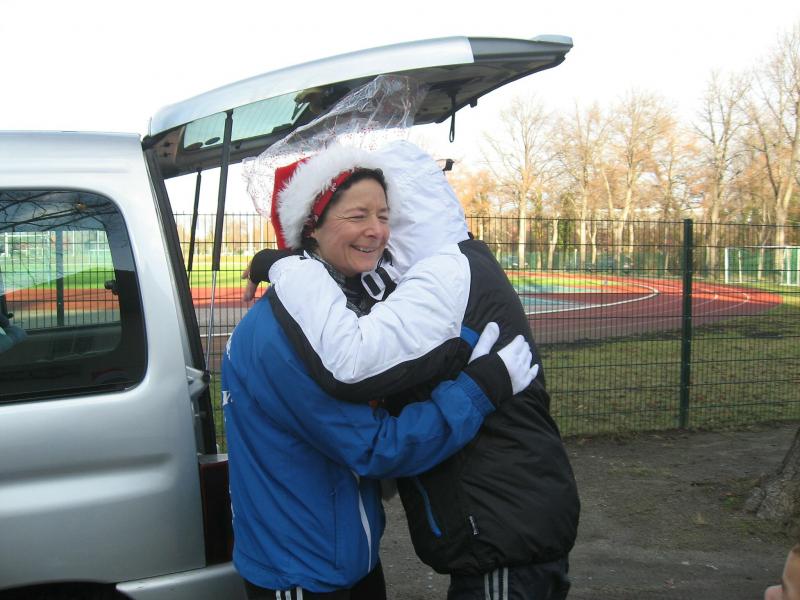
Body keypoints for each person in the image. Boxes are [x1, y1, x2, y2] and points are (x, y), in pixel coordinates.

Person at [248, 141, 579, 600]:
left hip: (501, 531)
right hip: (480, 528)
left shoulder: (441, 275)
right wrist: (286, 263)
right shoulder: (446, 266)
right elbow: (370, 433)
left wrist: (288, 266)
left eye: (385, 215)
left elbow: (353, 363)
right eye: (358, 214)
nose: (377, 231)